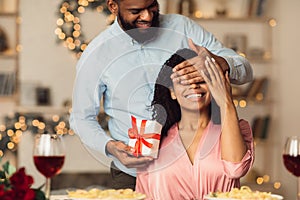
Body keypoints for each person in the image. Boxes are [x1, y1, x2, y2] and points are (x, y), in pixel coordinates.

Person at [69, 0, 253, 190]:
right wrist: (110, 147)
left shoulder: (182, 28)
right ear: (113, 6)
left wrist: (221, 62)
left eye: (152, 6)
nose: (147, 16)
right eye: (136, 11)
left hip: (193, 163)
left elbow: (246, 70)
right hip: (132, 172)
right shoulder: (97, 53)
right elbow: (81, 118)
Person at [135, 48, 254, 199]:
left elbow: (236, 169)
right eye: (184, 81)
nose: (194, 86)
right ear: (171, 91)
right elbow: (142, 193)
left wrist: (226, 102)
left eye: (202, 80)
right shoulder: (148, 134)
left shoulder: (237, 130)